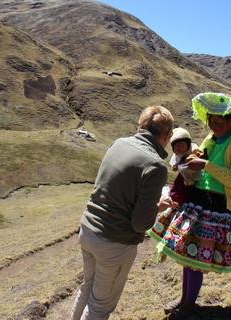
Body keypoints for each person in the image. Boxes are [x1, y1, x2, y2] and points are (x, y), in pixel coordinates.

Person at [148, 92, 231, 320]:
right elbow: (202, 153)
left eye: (219, 122)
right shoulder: (213, 137)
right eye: (210, 121)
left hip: (217, 207)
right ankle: (184, 299)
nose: (213, 126)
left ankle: (188, 305)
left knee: (196, 260)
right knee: (189, 255)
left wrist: (205, 164)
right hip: (197, 201)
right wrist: (196, 155)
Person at [71, 105, 177, 320]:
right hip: (114, 243)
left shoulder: (119, 143)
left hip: (88, 229)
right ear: (167, 136)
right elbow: (141, 223)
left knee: (86, 288)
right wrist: (159, 207)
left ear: (140, 126)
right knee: (100, 306)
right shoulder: (155, 165)